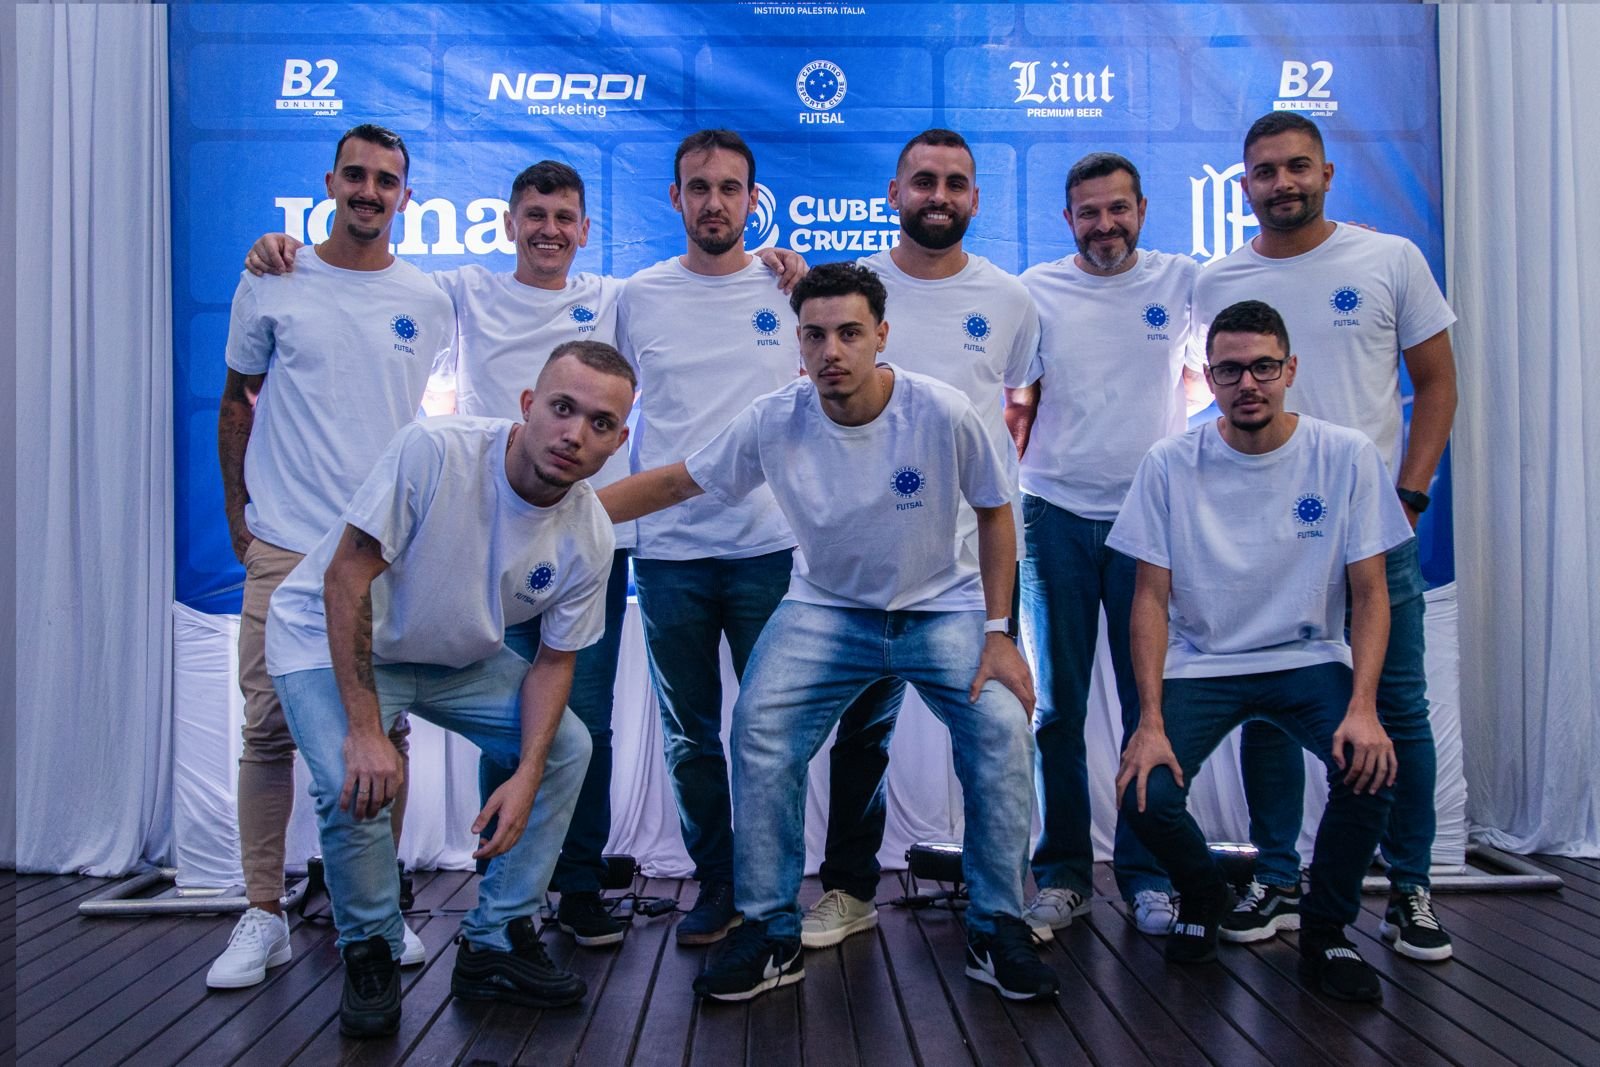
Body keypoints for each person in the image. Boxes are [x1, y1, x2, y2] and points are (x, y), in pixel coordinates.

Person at [243, 160, 805, 949]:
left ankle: (572, 888)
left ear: (584, 230)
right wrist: (288, 251)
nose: (549, 229)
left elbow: (717, 302)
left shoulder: (621, 298)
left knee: (582, 719)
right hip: (471, 539)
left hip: (575, 535)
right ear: (509, 223)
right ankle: (498, 889)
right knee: (499, 726)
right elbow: (364, 282)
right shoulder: (458, 291)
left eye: (565, 217)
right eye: (534, 214)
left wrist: (784, 266)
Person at [600, 262, 1058, 1002]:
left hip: (939, 605)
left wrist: (1000, 631)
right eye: (814, 335)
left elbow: (996, 510)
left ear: (882, 335)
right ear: (798, 343)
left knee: (1003, 728)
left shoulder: (941, 411)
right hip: (826, 609)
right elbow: (676, 481)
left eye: (849, 333)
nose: (831, 351)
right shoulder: (776, 418)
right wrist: (569, 510)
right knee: (759, 728)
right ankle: (769, 928)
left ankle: (996, 925)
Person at [266, 341, 634, 1036]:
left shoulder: (590, 532)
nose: (574, 434)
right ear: (527, 407)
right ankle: (370, 946)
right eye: (562, 408)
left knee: (566, 747)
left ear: (618, 441)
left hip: (453, 653)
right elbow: (345, 577)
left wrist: (527, 774)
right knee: (351, 780)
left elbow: (555, 662)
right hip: (332, 635)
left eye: (600, 423)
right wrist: (368, 730)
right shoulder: (435, 450)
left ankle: (495, 938)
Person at [1193, 112, 1458, 961]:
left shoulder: (1388, 260)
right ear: (1245, 186)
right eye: (1265, 172)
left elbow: (1437, 381)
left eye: (1297, 167)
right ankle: (1275, 876)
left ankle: (1409, 885)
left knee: (1397, 712)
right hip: (1264, 546)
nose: (1283, 183)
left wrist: (1408, 493)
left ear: (1328, 173)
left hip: (1374, 539)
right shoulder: (1215, 277)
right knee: (1269, 709)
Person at [1110, 299, 1412, 1003]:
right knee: (1144, 791)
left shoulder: (1345, 455)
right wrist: (1149, 720)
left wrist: (1363, 706)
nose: (1249, 383)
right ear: (1207, 377)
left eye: (1264, 367)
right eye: (1230, 370)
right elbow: (1149, 598)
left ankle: (1327, 929)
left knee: (1373, 768)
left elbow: (1370, 593)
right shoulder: (1169, 463)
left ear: (1290, 369)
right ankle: (1204, 889)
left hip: (1307, 656)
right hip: (1206, 661)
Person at [209, 124, 452, 989]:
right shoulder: (271, 277)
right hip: (285, 546)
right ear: (330, 181)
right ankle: (263, 912)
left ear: (405, 198)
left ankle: (378, 905)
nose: (369, 190)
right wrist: (241, 520)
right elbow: (238, 401)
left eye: (387, 180)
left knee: (384, 729)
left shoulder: (430, 298)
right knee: (269, 729)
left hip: (383, 551)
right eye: (356, 174)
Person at [801, 129, 1041, 951]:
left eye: (956, 183)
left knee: (993, 735)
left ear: (975, 197)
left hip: (974, 577)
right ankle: (848, 888)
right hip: (868, 569)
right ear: (894, 192)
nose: (939, 195)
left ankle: (996, 896)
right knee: (861, 734)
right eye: (924, 181)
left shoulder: (1010, 299)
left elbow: (1018, 409)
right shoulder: (859, 296)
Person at [1007, 152, 1210, 938]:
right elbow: (1019, 399)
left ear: (1143, 208)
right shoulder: (1038, 289)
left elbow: (1198, 378)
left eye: (1118, 209)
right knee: (1054, 707)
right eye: (1089, 212)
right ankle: (1061, 873)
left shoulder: (1182, 281)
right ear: (1068, 220)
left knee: (1146, 706)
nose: (1105, 225)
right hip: (1052, 512)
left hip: (1147, 525)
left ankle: (1146, 872)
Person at [613, 129, 805, 945]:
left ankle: (771, 890)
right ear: (676, 198)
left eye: (731, 188)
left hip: (768, 547)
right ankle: (719, 883)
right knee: (692, 736)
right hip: (670, 556)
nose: (714, 202)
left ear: (752, 200)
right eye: (699, 187)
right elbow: (609, 407)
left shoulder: (788, 288)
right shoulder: (639, 296)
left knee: (770, 730)